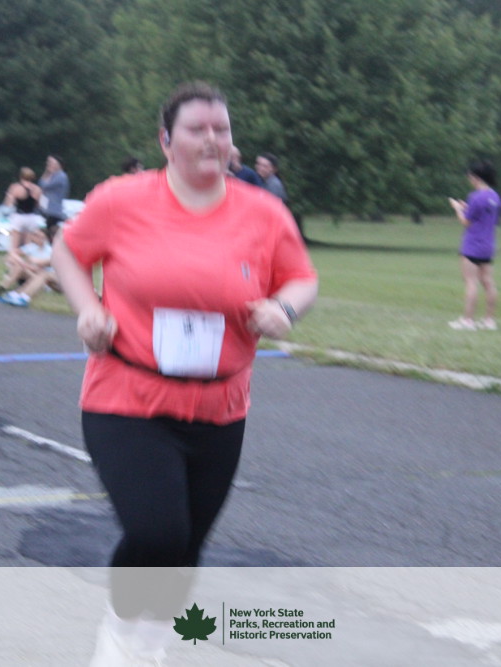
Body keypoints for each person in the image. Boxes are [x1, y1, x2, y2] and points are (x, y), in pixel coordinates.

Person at [51, 82, 318, 665]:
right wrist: (88, 309)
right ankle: (120, 630)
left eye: (222, 129)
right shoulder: (122, 200)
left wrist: (284, 309)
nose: (212, 139)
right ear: (166, 141)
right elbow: (67, 250)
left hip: (219, 407)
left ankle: (150, 645)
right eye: (197, 129)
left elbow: (301, 277)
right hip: (127, 397)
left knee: (187, 546)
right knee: (158, 535)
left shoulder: (263, 212)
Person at [448, 160, 501, 331]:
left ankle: (468, 320)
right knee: (488, 282)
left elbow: (466, 221)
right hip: (488, 245)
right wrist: (467, 207)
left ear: (476, 177)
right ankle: (489, 320)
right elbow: (485, 216)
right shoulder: (495, 196)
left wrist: (458, 208)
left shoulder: (475, 196)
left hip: (472, 245)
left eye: (470, 176)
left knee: (471, 282)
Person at [0, 226, 59, 307]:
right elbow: (12, 253)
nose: (37, 238)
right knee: (18, 266)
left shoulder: (50, 251)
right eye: (35, 235)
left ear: (46, 238)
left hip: (44, 279)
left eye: (40, 236)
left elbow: (41, 267)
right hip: (34, 273)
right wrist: (21, 262)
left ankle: (18, 295)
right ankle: (8, 291)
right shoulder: (32, 247)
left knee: (40, 274)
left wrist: (27, 264)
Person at [3, 167, 42, 251]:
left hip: (19, 216)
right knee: (29, 244)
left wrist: (9, 194)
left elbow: (8, 204)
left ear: (21, 176)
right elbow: (38, 205)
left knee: (15, 244)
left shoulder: (16, 187)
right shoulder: (37, 189)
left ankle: (14, 257)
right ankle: (28, 257)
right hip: (31, 217)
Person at [38, 155, 69, 241]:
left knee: (50, 231)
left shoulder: (61, 176)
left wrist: (47, 172)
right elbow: (41, 184)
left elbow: (44, 185)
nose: (49, 165)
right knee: (48, 230)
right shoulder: (54, 176)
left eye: (52, 163)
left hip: (54, 209)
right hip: (48, 209)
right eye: (49, 162)